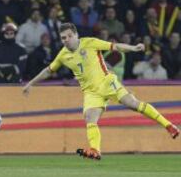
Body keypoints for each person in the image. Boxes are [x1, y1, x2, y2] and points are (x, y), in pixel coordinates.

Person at [22, 23, 180, 160]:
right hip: (91, 92)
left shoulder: (90, 42)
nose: (66, 40)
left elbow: (115, 47)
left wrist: (133, 47)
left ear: (76, 35)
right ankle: (95, 150)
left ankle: (169, 126)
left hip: (107, 82)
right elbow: (49, 70)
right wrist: (31, 83)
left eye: (68, 36)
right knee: (90, 118)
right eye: (63, 38)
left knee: (132, 104)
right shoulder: (63, 55)